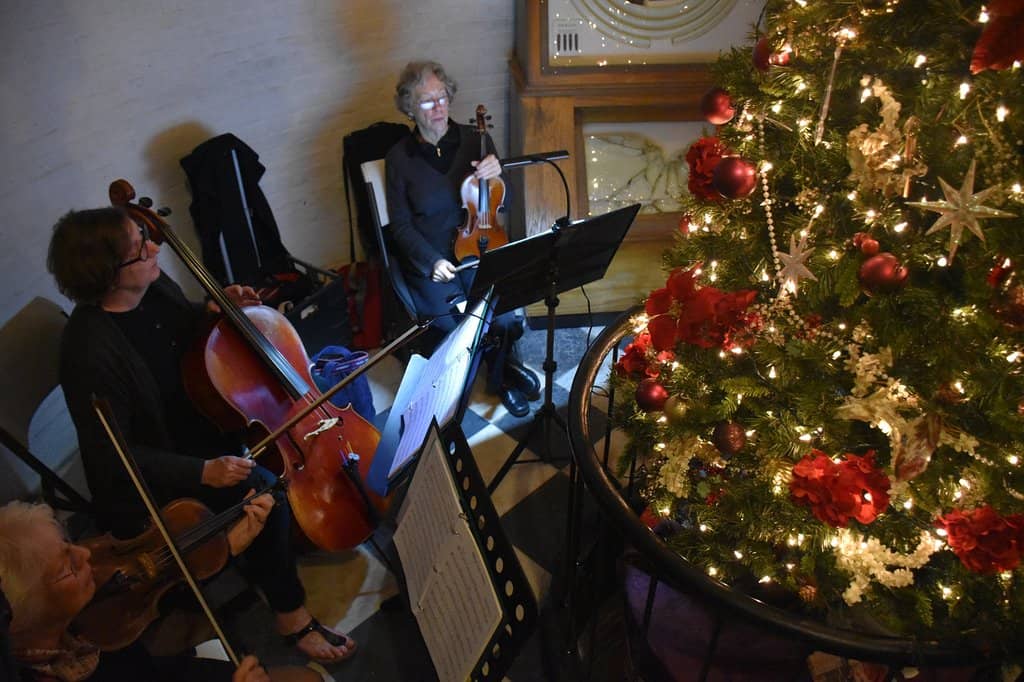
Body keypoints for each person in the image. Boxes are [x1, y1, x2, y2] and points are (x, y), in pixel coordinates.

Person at [46, 207, 355, 665]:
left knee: (293, 421)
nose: (155, 247)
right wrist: (202, 472)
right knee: (263, 489)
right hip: (160, 470)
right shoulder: (89, 351)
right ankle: (290, 615)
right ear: (109, 275)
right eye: (141, 248)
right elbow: (112, 456)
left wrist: (216, 308)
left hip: (201, 420)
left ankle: (274, 547)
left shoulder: (153, 287)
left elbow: (184, 326)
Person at [0, 500, 321, 681]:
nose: (85, 553)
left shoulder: (82, 615)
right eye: (67, 567)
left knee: (309, 680)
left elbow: (152, 601)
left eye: (69, 544)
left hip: (166, 673)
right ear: (31, 610)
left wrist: (223, 551)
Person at [385, 60, 541, 417]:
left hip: (479, 248)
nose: (438, 107)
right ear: (409, 108)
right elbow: (401, 226)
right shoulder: (399, 159)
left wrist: (498, 175)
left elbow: (505, 203)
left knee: (505, 315)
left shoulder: (476, 140)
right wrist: (432, 262)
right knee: (453, 326)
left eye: (442, 97)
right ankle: (492, 373)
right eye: (426, 101)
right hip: (436, 261)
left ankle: (501, 376)